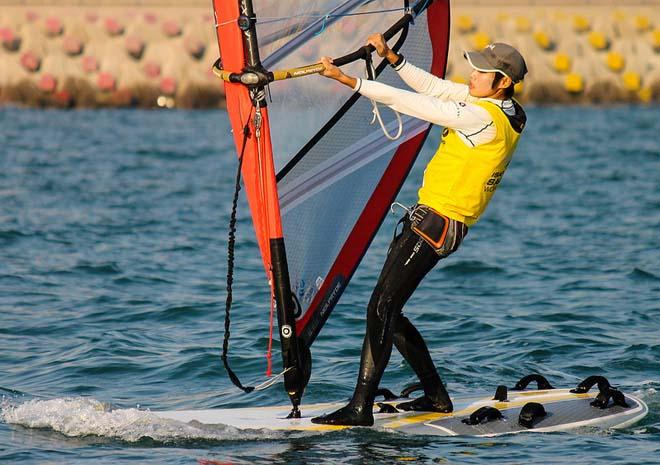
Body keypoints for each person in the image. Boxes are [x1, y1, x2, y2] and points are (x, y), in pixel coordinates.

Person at [311, 34, 528, 426]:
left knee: (381, 307)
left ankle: (360, 408)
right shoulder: (501, 108)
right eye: (475, 68)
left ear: (504, 83)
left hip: (437, 226)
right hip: (431, 220)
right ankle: (435, 395)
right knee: (387, 309)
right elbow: (435, 87)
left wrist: (351, 83)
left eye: (484, 73)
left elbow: (417, 104)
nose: (473, 76)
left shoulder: (481, 117)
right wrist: (393, 58)